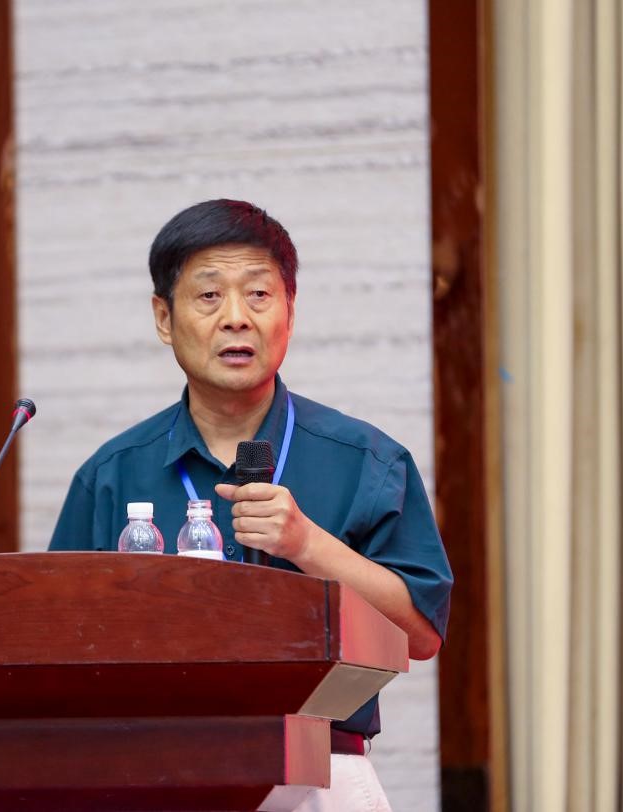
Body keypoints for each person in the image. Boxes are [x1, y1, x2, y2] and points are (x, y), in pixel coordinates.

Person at [48, 199, 453, 810]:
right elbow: (56, 648)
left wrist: (309, 546)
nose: (236, 318)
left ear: (290, 311)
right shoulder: (112, 474)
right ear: (164, 317)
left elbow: (420, 635)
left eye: (259, 295)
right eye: (209, 296)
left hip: (321, 774)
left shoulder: (367, 461)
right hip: (152, 775)